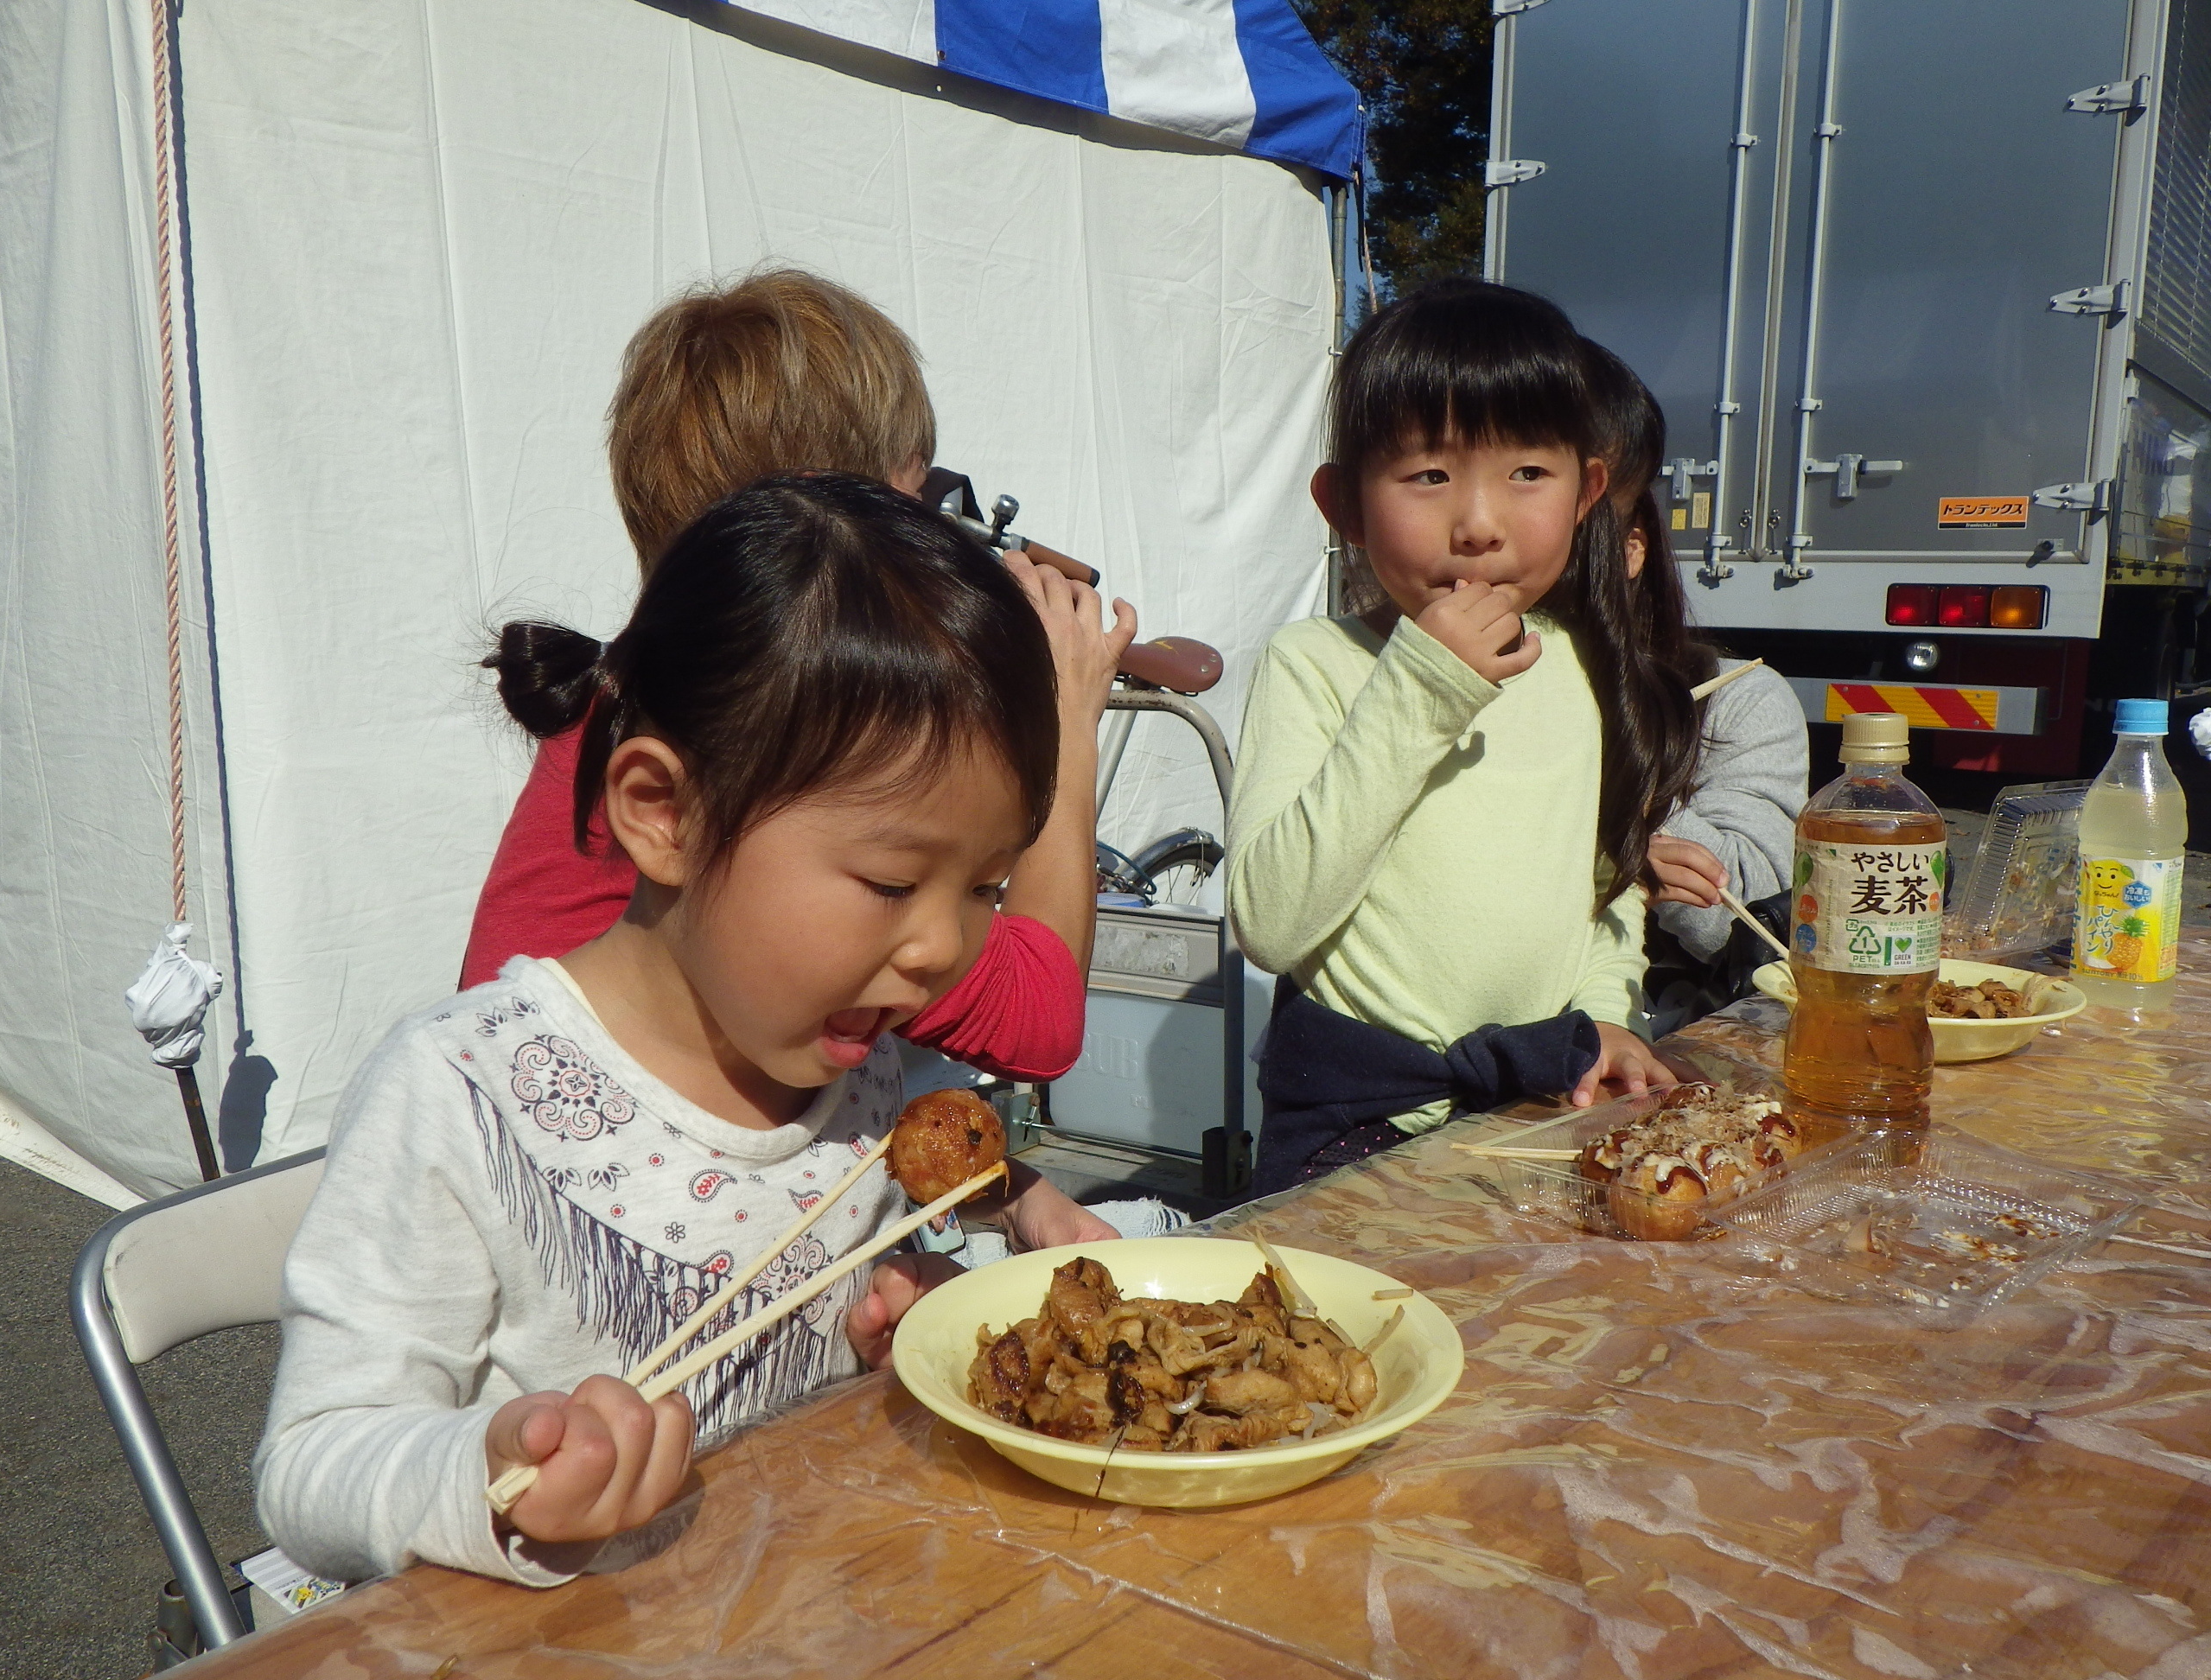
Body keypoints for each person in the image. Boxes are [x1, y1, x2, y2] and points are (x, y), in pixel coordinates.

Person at [258, 475, 1103, 1586]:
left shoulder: (867, 1072)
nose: (946, 947)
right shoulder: (464, 1092)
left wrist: (916, 1320)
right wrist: (489, 1471)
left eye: (988, 887)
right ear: (663, 811)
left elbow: (864, 1291)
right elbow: (312, 1461)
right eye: (894, 881)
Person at [460, 269, 1132, 1087]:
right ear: (840, 525)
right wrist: (1065, 714)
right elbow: (1039, 1021)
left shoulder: (630, 699)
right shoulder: (769, 742)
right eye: (917, 503)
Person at [1229, 280, 1690, 1193]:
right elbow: (1270, 924)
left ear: (1588, 491)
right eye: (1428, 476)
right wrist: (1422, 688)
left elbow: (1604, 890)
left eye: (1527, 474)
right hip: (1356, 1125)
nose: (1478, 524)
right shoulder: (1315, 663)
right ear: (1345, 507)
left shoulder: (1580, 669)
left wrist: (1604, 1016)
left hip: (1540, 1107)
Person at [1582, 347, 1808, 1028]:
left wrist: (1619, 802)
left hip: (1646, 1040)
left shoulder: (1737, 697)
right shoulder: (1416, 683)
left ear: (1632, 544)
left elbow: (1740, 914)